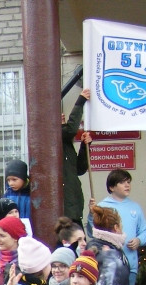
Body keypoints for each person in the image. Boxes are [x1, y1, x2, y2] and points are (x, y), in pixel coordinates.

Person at [87, 169, 146, 285]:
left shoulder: (135, 207)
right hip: (107, 265)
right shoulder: (102, 206)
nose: (127, 185)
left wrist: (139, 240)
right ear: (111, 187)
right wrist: (91, 214)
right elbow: (92, 232)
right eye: (122, 182)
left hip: (130, 265)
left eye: (128, 182)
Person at [62, 90, 92, 225]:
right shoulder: (56, 140)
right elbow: (70, 130)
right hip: (65, 213)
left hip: (74, 210)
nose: (63, 116)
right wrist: (80, 102)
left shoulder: (66, 145)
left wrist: (85, 146)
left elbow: (79, 169)